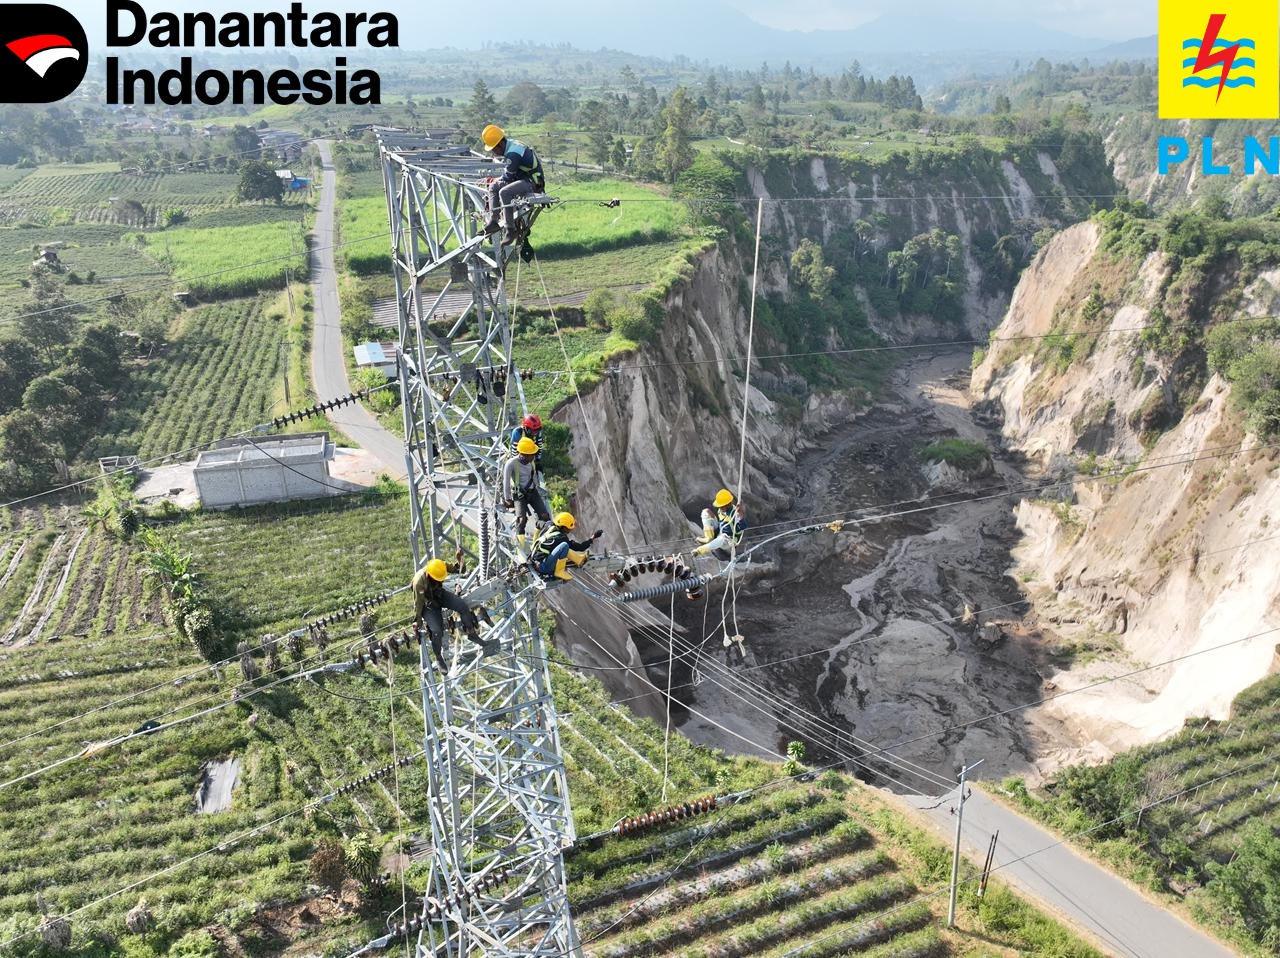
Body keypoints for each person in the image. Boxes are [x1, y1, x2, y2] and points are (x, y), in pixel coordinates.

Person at [411, 556, 491, 670]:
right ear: (429, 575)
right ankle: (438, 656)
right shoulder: (419, 581)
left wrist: (460, 559)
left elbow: (460, 570)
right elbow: (418, 603)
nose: (440, 580)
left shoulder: (441, 566)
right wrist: (417, 621)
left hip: (439, 594)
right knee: (437, 630)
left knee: (462, 606)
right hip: (428, 603)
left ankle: (472, 634)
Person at [480, 124, 546, 244]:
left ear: (500, 144)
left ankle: (511, 230)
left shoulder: (513, 154)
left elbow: (508, 176)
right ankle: (494, 221)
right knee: (494, 186)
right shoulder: (510, 145)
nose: (494, 153)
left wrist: (500, 179)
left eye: (494, 149)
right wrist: (497, 181)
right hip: (522, 178)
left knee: (504, 192)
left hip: (533, 182)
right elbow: (508, 175)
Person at [502, 436, 550, 543]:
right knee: (521, 520)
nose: (534, 455)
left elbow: (533, 477)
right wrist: (507, 498)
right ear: (524, 454)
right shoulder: (511, 463)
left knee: (544, 516)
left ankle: (537, 540)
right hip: (519, 495)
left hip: (532, 492)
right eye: (531, 454)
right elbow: (506, 481)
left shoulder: (531, 462)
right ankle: (521, 545)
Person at [529, 512, 602, 581]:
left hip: (534, 558)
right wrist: (593, 537)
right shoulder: (561, 538)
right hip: (543, 567)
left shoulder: (549, 524)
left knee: (561, 547)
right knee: (564, 546)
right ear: (563, 527)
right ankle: (559, 571)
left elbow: (537, 523)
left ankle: (578, 558)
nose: (570, 529)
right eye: (569, 528)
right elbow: (580, 547)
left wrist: (534, 542)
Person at [693, 488, 745, 557]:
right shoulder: (721, 511)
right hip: (720, 532)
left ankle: (700, 550)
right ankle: (709, 538)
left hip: (729, 540)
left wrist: (740, 516)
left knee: (722, 537)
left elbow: (742, 527)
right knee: (706, 511)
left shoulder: (735, 513)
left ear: (727, 504)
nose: (719, 508)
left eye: (721, 506)